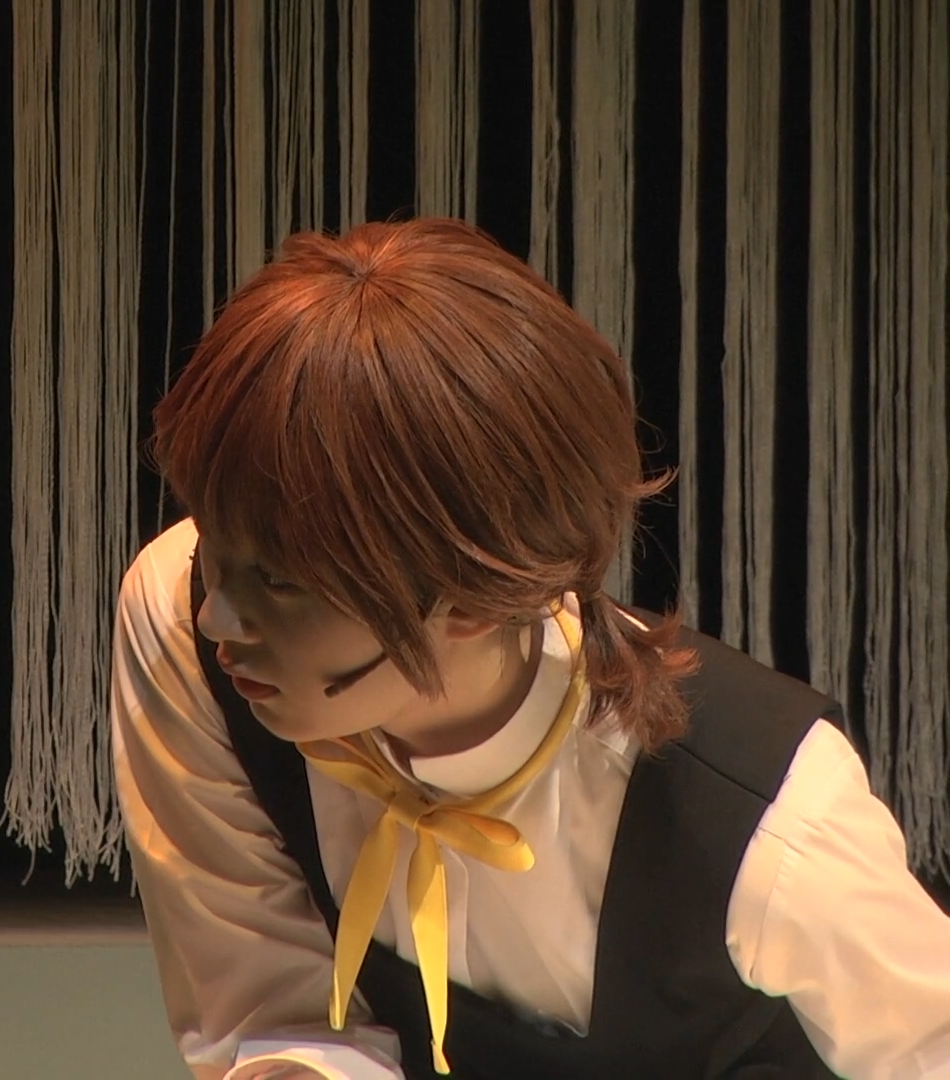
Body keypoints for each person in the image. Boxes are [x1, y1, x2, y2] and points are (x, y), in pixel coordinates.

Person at [111, 219, 950, 1079]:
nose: (217, 616)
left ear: (474, 602)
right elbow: (270, 1017)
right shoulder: (180, 621)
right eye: (217, 538)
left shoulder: (767, 817)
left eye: (281, 580)